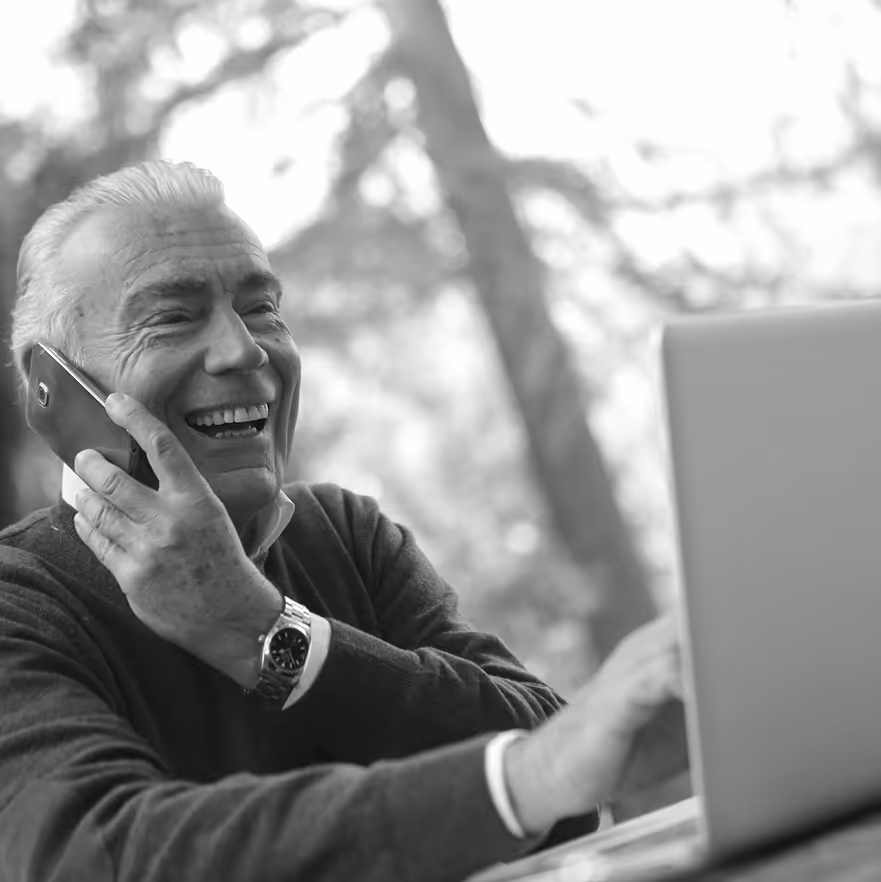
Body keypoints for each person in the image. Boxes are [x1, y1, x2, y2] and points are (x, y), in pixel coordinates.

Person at [0, 161, 686, 882]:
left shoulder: (344, 535)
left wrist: (267, 633)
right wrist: (513, 784)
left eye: (261, 309)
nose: (245, 349)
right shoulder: (18, 607)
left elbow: (568, 787)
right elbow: (103, 859)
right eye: (172, 316)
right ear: (51, 390)